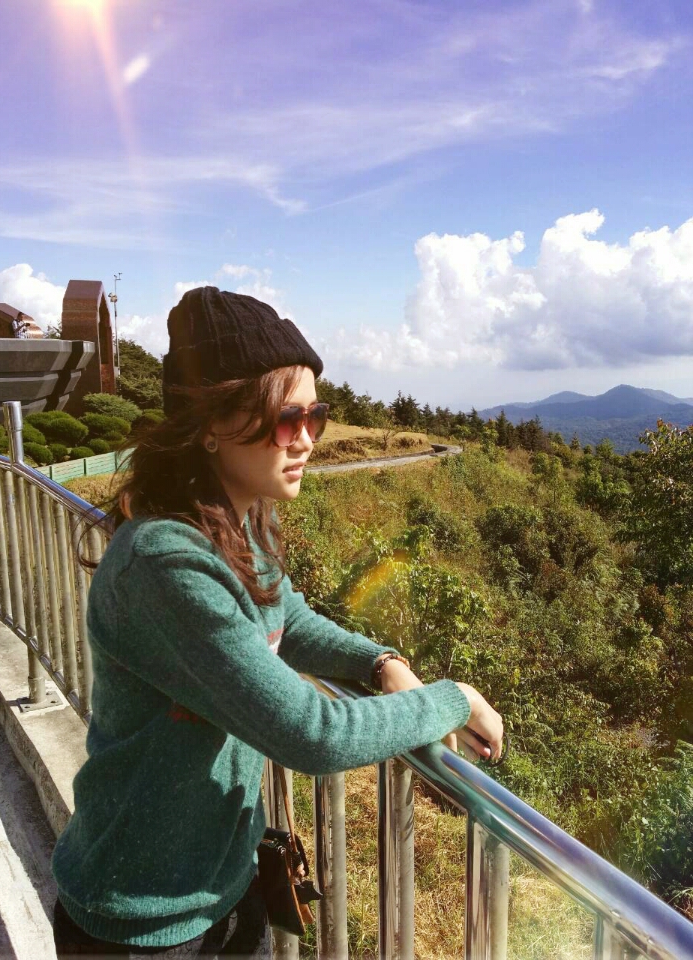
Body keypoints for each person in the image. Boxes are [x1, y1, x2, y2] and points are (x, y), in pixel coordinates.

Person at [50, 287, 503, 959]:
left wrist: (380, 662)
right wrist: (452, 700)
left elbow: (286, 616)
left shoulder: (232, 522)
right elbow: (310, 733)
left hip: (228, 886)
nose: (309, 440)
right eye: (287, 420)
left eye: (316, 416)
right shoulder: (165, 561)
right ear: (210, 423)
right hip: (141, 915)